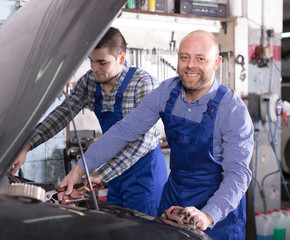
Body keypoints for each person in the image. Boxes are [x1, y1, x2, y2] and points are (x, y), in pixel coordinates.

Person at [59, 30, 254, 240]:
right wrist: (82, 167)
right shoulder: (167, 92)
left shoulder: (232, 109)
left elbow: (238, 174)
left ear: (216, 63)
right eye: (184, 57)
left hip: (218, 210)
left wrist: (208, 215)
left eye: (200, 59)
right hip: (175, 199)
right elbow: (125, 130)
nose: (190, 65)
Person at [10, 27, 167, 216]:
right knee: (117, 227)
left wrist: (99, 175)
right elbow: (61, 115)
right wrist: (26, 145)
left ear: (122, 58)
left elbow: (143, 141)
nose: (94, 69)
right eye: (91, 61)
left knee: (145, 231)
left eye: (102, 62)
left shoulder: (143, 83)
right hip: (115, 175)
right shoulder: (90, 82)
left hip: (144, 174)